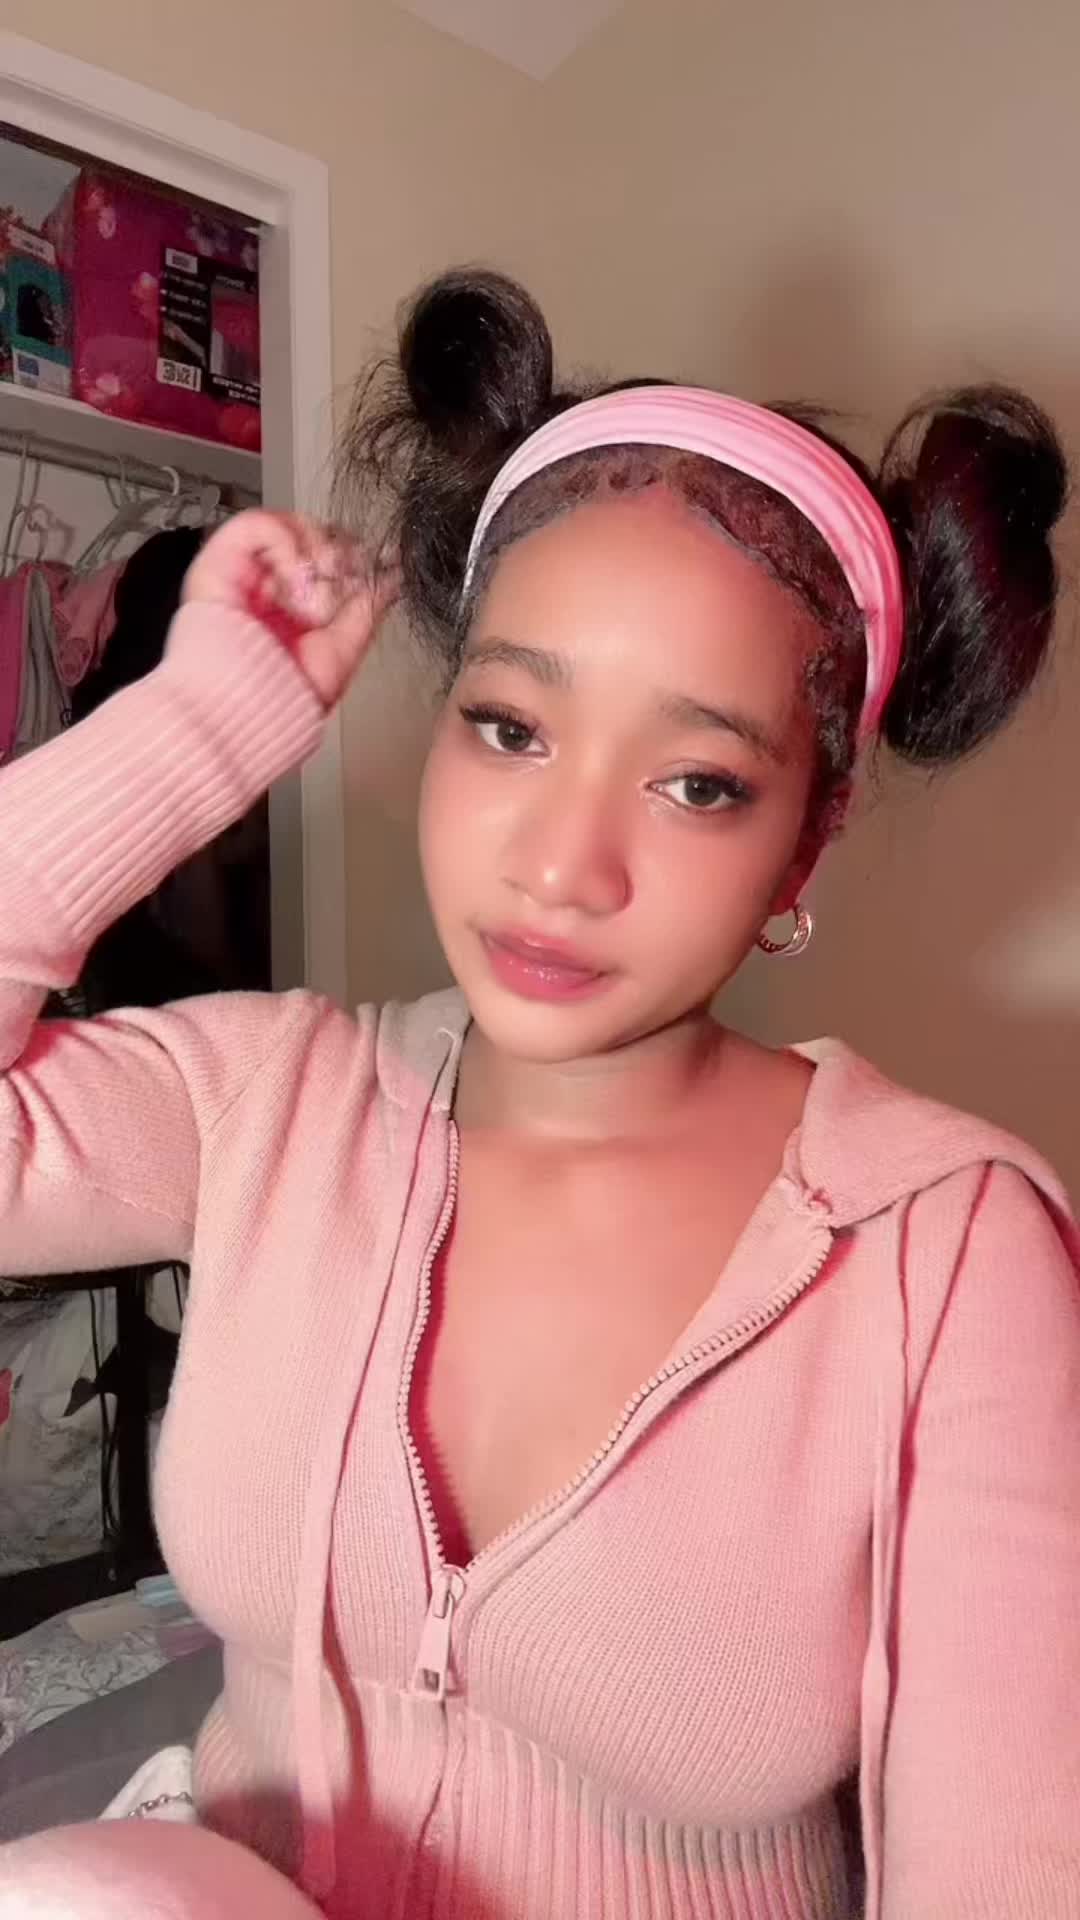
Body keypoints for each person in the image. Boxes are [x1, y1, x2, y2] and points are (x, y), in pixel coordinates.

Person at [1, 267, 1078, 1920]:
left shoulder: (944, 1251)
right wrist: (192, 726)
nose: (564, 867)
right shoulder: (271, 1099)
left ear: (807, 840)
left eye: (697, 782)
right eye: (509, 728)